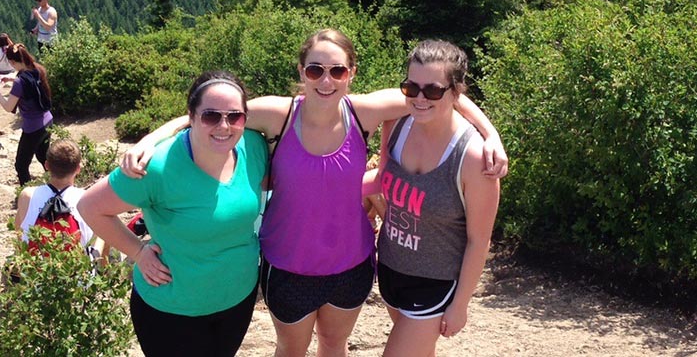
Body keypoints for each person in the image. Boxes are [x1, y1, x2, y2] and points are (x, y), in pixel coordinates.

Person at [121, 29, 508, 357]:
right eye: (315, 69)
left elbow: (442, 92)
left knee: (334, 346)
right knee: (290, 352)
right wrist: (152, 137)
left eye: (337, 70)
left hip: (352, 265)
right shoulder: (278, 115)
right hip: (287, 267)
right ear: (301, 72)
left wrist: (490, 135)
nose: (326, 80)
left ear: (351, 73)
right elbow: (210, 111)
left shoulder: (365, 112)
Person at [79, 71, 267, 357]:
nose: (224, 126)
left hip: (237, 298)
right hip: (171, 308)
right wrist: (138, 252)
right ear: (191, 116)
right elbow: (90, 207)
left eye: (235, 116)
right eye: (211, 116)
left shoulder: (253, 147)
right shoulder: (157, 166)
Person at [375, 40, 501, 356]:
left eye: (432, 90)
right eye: (411, 87)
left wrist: (461, 304)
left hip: (434, 284)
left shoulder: (473, 158)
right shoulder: (397, 121)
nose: (419, 98)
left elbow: (479, 240)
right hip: (390, 271)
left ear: (456, 91)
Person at [14, 140, 96, 253]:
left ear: (46, 165)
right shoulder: (87, 198)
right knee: (102, 236)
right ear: (78, 169)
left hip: (36, 267)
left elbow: (19, 235)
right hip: (75, 268)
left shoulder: (27, 195)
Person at [0, 44, 53, 184]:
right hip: (47, 120)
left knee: (21, 165)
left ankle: (26, 194)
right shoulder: (38, 69)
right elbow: (32, 85)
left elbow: (8, 107)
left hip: (33, 128)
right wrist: (12, 80)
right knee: (43, 157)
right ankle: (57, 186)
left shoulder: (20, 82)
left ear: (11, 62)